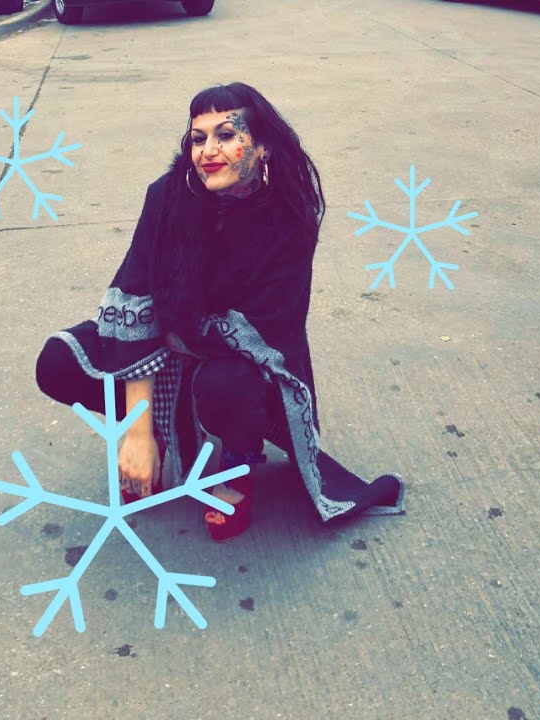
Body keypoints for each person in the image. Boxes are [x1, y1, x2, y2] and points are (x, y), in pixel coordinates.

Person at [35, 81, 405, 542]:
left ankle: (236, 465)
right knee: (58, 362)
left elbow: (266, 326)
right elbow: (134, 294)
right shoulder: (167, 196)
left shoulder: (291, 215)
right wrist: (137, 429)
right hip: (166, 342)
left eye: (226, 135)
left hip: (240, 358)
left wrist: (180, 331)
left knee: (224, 384)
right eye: (198, 138)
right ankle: (158, 434)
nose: (208, 151)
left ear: (263, 146)